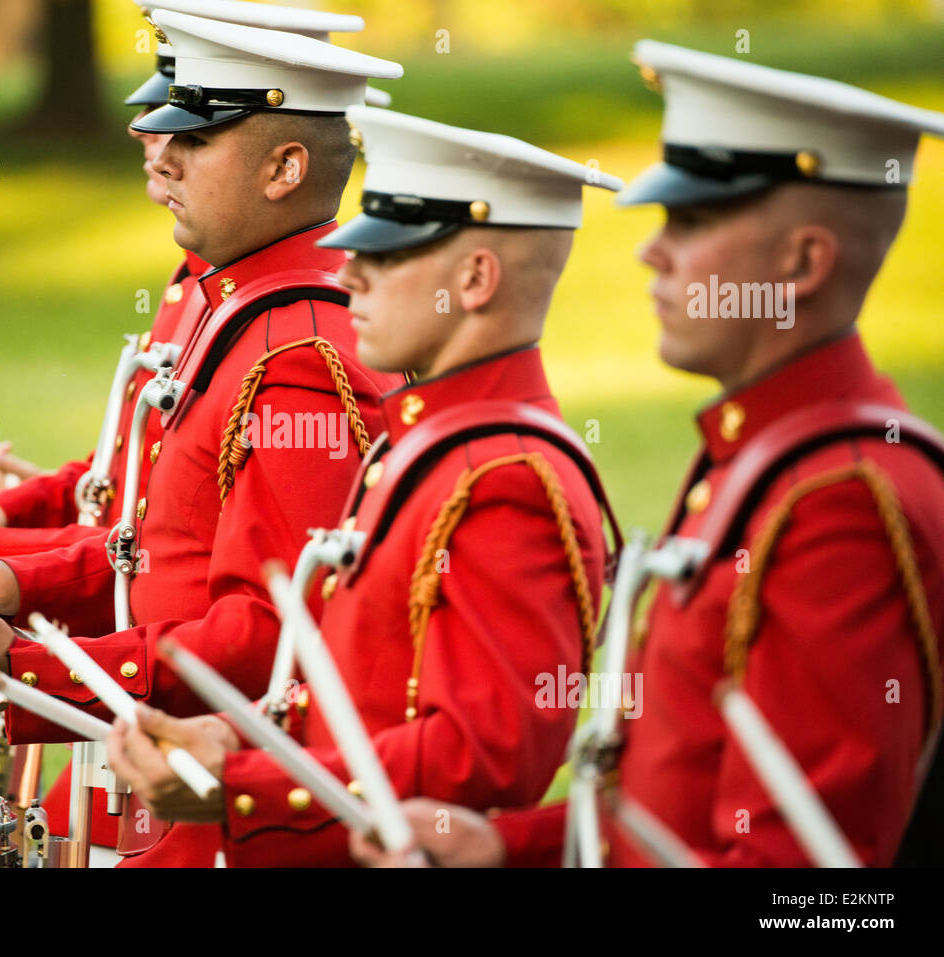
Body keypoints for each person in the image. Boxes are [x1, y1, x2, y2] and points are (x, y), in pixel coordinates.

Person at [356, 40, 944, 868]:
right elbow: (681, 812)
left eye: (693, 220)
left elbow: (807, 883)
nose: (650, 251)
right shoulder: (772, 458)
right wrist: (505, 844)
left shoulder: (839, 495)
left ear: (804, 262)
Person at [0, 10, 404, 866]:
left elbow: (265, 638)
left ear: (286, 167)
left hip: (210, 806)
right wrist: (14, 567)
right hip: (146, 748)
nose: (156, 149)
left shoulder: (302, 355)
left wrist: (36, 663)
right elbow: (155, 531)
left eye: (195, 134)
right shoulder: (232, 292)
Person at [100, 105, 624, 866]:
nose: (348, 274)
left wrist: (244, 779)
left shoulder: (508, 478)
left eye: (386, 256)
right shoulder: (431, 440)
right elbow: (347, 699)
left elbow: (481, 756)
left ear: (475, 278)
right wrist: (236, 738)